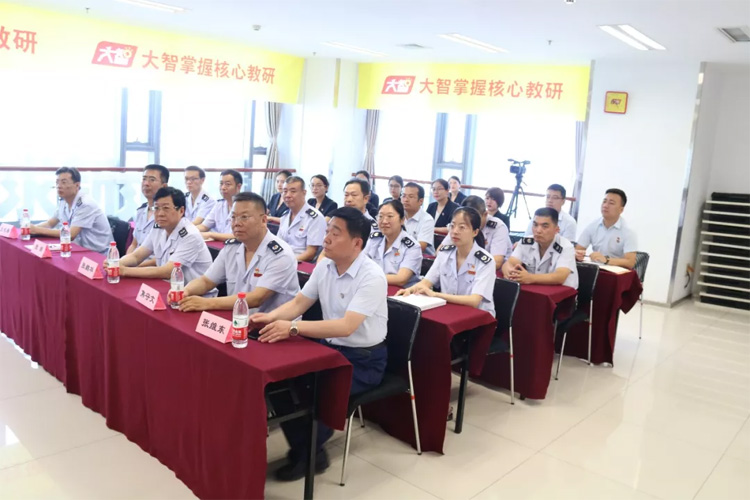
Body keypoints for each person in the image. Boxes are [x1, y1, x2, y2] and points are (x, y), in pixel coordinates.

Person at [250, 207, 388, 481]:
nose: (326, 238)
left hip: (363, 360)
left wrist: (292, 328)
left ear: (357, 243)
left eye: (335, 233)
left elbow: (346, 326)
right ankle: (310, 452)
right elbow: (300, 303)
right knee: (280, 382)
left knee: (317, 391)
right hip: (328, 350)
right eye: (327, 231)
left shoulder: (372, 276)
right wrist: (270, 317)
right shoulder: (325, 265)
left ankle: (307, 455)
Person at [178, 192, 299, 312]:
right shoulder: (231, 247)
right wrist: (185, 292)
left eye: (244, 217)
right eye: (233, 217)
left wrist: (207, 303)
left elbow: (257, 298)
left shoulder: (280, 254)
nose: (236, 223)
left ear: (263, 220)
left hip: (272, 323)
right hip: (238, 317)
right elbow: (206, 281)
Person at [397, 207, 495, 316]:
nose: (455, 231)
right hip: (450, 311)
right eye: (452, 226)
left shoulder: (486, 261)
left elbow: (474, 301)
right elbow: (426, 282)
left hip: (478, 316)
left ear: (475, 232)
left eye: (462, 227)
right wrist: (409, 291)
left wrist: (436, 295)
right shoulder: (444, 253)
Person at [110, 187, 212, 282]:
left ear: (181, 211)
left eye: (166, 208)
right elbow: (136, 256)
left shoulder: (190, 235)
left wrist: (124, 270)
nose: (160, 214)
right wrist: (116, 264)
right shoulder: (158, 228)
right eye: (157, 208)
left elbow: (168, 271)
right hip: (166, 285)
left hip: (192, 292)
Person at [29, 167, 112, 255]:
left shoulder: (85, 204)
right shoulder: (63, 201)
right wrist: (31, 228)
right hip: (77, 250)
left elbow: (70, 234)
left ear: (77, 185)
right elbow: (50, 223)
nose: (59, 186)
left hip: (98, 254)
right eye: (57, 182)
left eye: (64, 182)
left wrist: (37, 230)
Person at [503, 207, 578, 289]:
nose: (538, 230)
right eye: (535, 225)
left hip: (561, 292)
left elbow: (560, 276)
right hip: (536, 288)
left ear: (556, 229)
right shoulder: (526, 242)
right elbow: (509, 263)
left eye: (545, 226)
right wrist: (510, 273)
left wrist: (530, 278)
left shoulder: (566, 247)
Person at [316, 179, 378, 262]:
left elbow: (363, 259)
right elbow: (324, 253)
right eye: (346, 195)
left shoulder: (372, 228)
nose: (348, 199)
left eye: (354, 195)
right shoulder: (336, 221)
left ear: (365, 198)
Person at [365, 200, 422, 287]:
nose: (384, 221)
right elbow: (360, 264)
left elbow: (401, 279)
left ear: (402, 220)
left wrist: (369, 277)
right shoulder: (374, 239)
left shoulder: (412, 247)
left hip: (400, 292)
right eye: (380, 216)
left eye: (390, 216)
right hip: (375, 286)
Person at [575, 188, 637, 269]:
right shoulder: (593, 226)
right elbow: (578, 249)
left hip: (616, 273)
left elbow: (630, 262)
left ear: (621, 210)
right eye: (604, 201)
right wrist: (578, 254)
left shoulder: (628, 231)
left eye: (611, 203)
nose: (605, 205)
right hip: (595, 269)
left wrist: (606, 260)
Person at [277, 176, 326, 262]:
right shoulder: (285, 216)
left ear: (304, 193)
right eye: (285, 191)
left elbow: (311, 253)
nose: (287, 195)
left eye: (293, 191)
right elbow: (278, 244)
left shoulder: (315, 218)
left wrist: (288, 263)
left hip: (299, 264)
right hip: (281, 261)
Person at [127, 164, 169, 255]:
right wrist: (124, 261)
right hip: (136, 260)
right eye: (144, 179)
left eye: (152, 180)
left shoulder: (169, 214)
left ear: (164, 186)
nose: (146, 183)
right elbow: (134, 244)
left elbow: (166, 254)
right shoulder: (140, 212)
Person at [461, 195, 511, 269]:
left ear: (485, 214)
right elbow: (445, 250)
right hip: (469, 266)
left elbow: (496, 262)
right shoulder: (459, 224)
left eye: (474, 219)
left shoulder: (498, 227)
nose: (470, 223)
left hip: (493, 271)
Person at [196, 169, 242, 242]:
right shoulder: (219, 205)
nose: (223, 188)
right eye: (221, 184)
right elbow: (204, 226)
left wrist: (211, 235)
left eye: (228, 184)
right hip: (218, 245)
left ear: (238, 187)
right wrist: (190, 230)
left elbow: (238, 235)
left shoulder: (244, 207)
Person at [401, 182, 436, 255]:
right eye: (403, 196)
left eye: (410, 197)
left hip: (422, 259)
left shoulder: (427, 220)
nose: (406, 200)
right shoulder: (397, 215)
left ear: (421, 201)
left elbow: (420, 248)